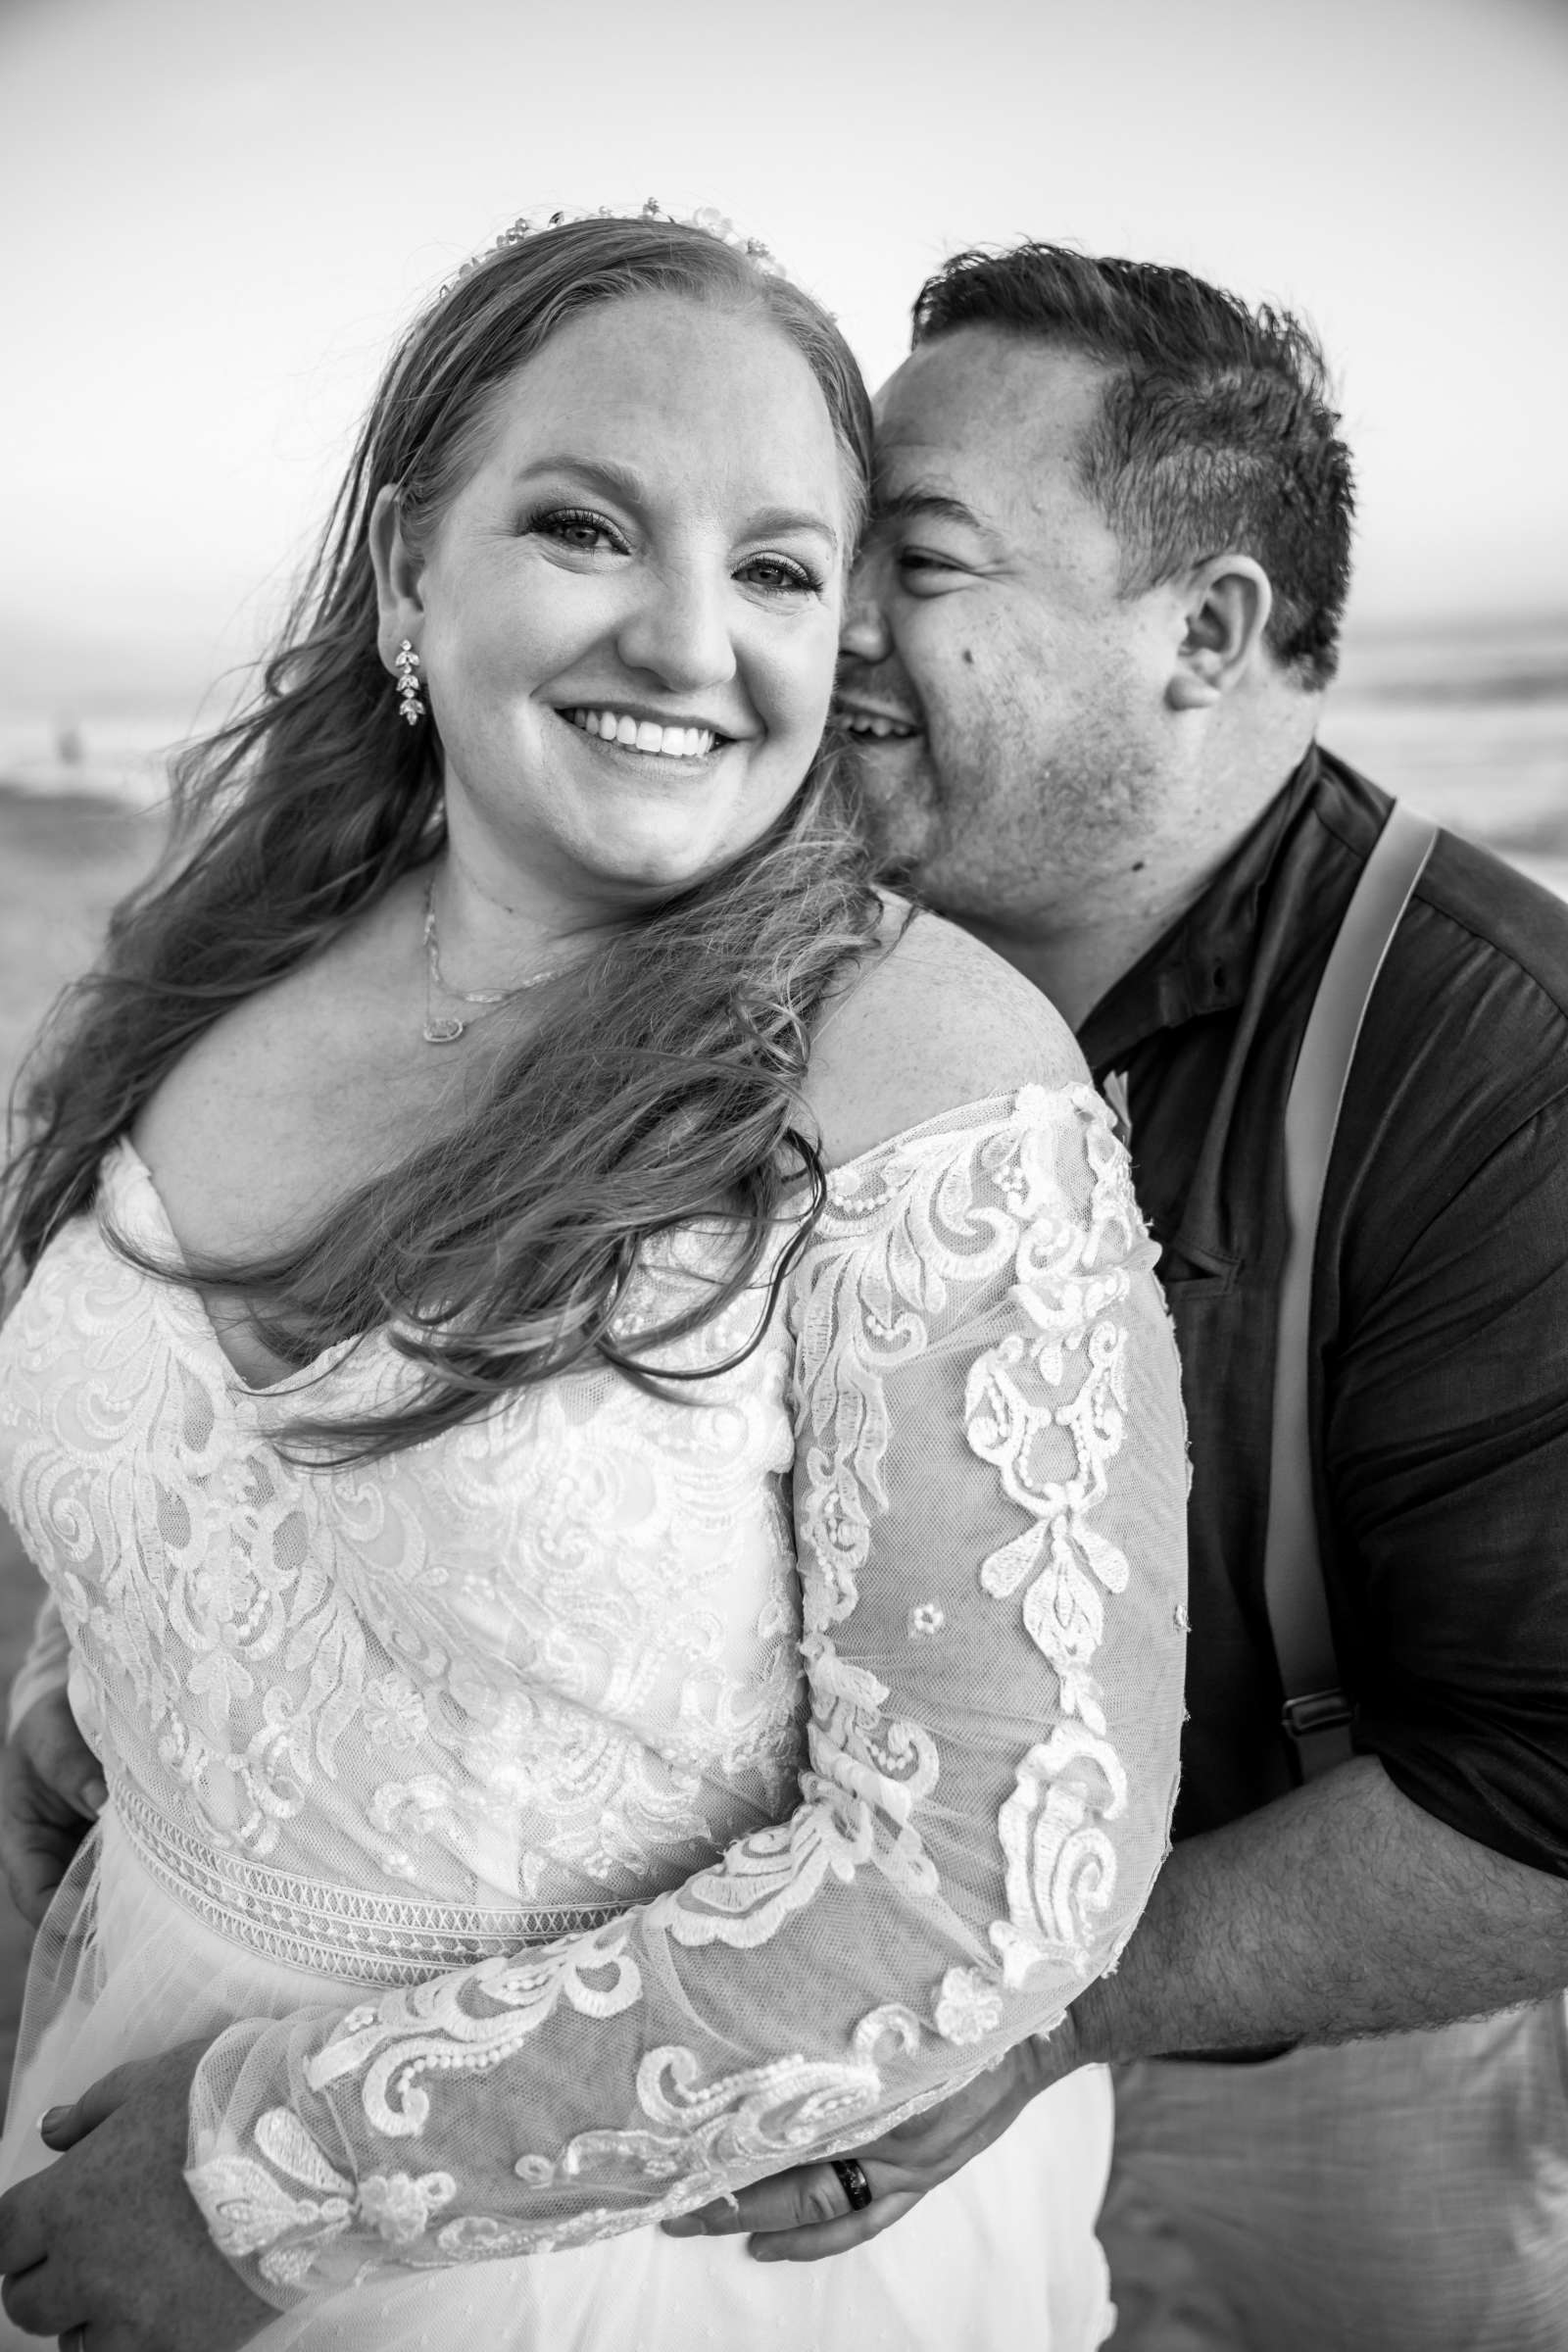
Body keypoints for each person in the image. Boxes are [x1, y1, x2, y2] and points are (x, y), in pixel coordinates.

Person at [0, 212, 1188, 2352]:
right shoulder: (211, 967)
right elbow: (241, 1541)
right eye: (581, 526)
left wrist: (266, 2181)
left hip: (607, 2272)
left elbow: (992, 1874)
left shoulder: (916, 1074)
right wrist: (100, 1697)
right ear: (400, 578)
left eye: (772, 569)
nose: (681, 638)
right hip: (95, 2092)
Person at [672, 243, 1568, 2348]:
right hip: (793, 2026)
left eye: (922, 556)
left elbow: (1542, 1796)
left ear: (1207, 629)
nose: (820, 619)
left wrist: (1031, 2012)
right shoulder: (748, 948)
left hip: (1304, 2060)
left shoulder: (1495, 1068)